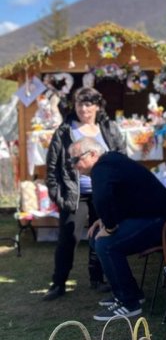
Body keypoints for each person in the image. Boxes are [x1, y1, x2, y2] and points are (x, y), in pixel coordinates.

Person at [69, 137, 166, 320]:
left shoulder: (102, 167)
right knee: (97, 237)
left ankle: (128, 302)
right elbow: (121, 196)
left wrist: (110, 226)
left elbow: (103, 198)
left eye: (76, 159)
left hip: (162, 220)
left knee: (105, 244)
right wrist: (104, 221)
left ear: (93, 154)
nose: (74, 165)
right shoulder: (109, 162)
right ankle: (130, 292)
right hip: (152, 216)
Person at [43, 86, 125, 301]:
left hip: (102, 192)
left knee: (101, 235)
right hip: (74, 194)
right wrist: (58, 195)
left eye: (88, 104)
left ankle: (98, 278)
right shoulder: (65, 131)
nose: (83, 109)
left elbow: (121, 157)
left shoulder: (108, 128)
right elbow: (52, 166)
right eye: (80, 104)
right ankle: (58, 283)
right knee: (68, 238)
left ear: (97, 106)